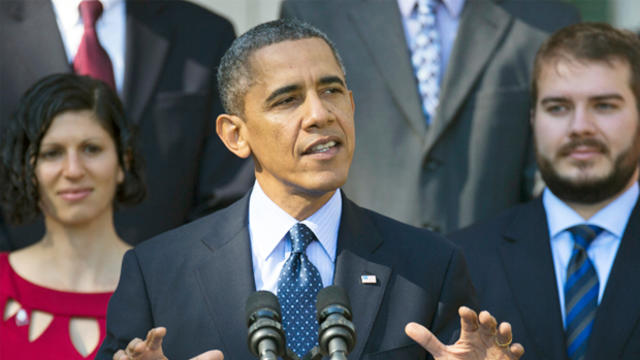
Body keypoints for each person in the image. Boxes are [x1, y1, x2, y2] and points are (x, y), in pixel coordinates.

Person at [97, 19, 523, 360]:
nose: (320, 114)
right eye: (287, 100)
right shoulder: (156, 274)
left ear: (352, 106)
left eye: (332, 91)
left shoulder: (430, 266)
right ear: (235, 136)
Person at [280, 0, 579, 233]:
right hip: (355, 282)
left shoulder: (546, 22)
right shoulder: (313, 11)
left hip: (494, 285)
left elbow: (551, 176)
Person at [451, 23, 640, 360]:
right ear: (533, 119)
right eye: (558, 108)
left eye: (605, 105)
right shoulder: (463, 261)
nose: (580, 126)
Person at [0, 0, 253, 251]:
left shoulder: (204, 33)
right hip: (17, 280)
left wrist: (182, 274)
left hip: (171, 276)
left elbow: (228, 191)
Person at [0, 74, 146, 359]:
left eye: (91, 149)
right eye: (52, 153)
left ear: (122, 162)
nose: (73, 170)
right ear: (28, 170)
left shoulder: (167, 284)